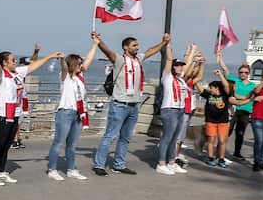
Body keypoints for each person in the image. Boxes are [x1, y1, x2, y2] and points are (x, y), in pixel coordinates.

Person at [91, 33, 170, 176]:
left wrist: (163, 43)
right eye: (134, 45)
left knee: (126, 138)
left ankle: (119, 165)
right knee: (110, 136)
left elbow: (151, 51)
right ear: (125, 47)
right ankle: (99, 165)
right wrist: (99, 41)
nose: (137, 47)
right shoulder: (119, 59)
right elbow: (107, 51)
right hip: (119, 105)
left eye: (137, 45)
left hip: (134, 106)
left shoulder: (138, 59)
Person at [0, 47, 54, 185]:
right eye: (12, 60)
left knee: (6, 145)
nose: (15, 61)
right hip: (1, 114)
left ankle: (1, 171)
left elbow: (33, 66)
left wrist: (50, 57)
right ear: (5, 63)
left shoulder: (16, 73)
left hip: (14, 113)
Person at [47, 34, 100, 181]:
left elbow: (88, 60)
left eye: (80, 63)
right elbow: (64, 67)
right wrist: (62, 59)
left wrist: (95, 45)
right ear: (72, 64)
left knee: (72, 144)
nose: (80, 65)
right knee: (58, 142)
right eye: (78, 63)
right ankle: (52, 169)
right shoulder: (65, 77)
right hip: (65, 112)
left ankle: (71, 169)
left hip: (78, 113)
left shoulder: (80, 76)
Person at [155, 45, 191, 176]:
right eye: (177, 66)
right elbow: (169, 60)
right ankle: (161, 164)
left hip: (180, 110)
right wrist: (168, 46)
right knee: (167, 137)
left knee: (175, 138)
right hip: (169, 109)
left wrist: (191, 51)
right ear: (172, 67)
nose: (180, 68)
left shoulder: (180, 80)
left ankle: (171, 162)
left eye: (181, 66)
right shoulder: (167, 77)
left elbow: (187, 65)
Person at [217, 57, 256, 162]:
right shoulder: (235, 81)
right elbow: (225, 69)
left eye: (245, 72)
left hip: (245, 111)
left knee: (240, 133)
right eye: (241, 72)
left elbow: (253, 97)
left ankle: (237, 153)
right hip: (234, 110)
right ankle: (219, 151)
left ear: (249, 73)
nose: (243, 74)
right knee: (227, 131)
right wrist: (219, 57)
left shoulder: (253, 85)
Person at [201, 76, 232, 167]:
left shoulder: (225, 95)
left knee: (222, 141)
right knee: (211, 141)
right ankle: (210, 158)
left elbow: (226, 85)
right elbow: (200, 89)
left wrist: (220, 75)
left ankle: (221, 159)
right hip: (211, 121)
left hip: (223, 122)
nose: (210, 89)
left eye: (211, 88)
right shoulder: (209, 95)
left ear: (217, 88)